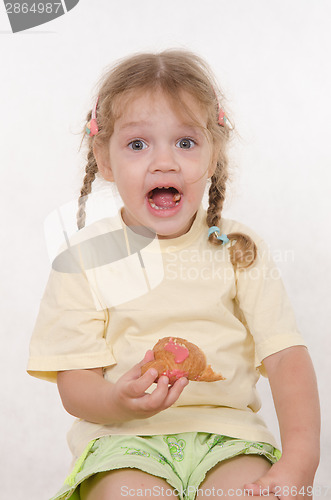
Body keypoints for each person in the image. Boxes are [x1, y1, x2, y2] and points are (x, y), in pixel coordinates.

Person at [28, 50, 320, 500]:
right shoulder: (86, 258)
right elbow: (75, 381)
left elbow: (285, 358)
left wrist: (300, 461)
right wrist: (117, 402)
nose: (164, 162)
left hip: (230, 437)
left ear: (213, 155)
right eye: (138, 144)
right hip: (122, 441)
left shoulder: (240, 249)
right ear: (104, 159)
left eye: (185, 142)